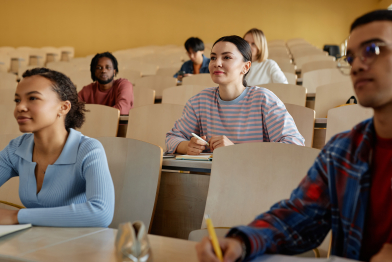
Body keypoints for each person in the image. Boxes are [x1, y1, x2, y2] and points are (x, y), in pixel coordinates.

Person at [196, 9, 392, 262]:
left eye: (373, 50)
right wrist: (242, 241)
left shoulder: (264, 99)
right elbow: (300, 215)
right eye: (351, 57)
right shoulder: (344, 150)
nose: (357, 65)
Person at [0, 68, 115, 227]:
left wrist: (16, 216)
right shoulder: (16, 148)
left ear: (64, 107)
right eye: (17, 100)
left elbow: (101, 213)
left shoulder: (88, 149)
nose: (20, 107)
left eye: (33, 98)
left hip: (78, 245)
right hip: (31, 244)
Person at [166, 35, 304, 155]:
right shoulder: (199, 101)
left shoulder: (264, 99)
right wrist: (187, 146)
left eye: (227, 57)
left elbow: (295, 145)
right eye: (213, 57)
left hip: (256, 181)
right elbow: (172, 138)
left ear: (246, 67)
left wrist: (236, 151)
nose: (216, 63)